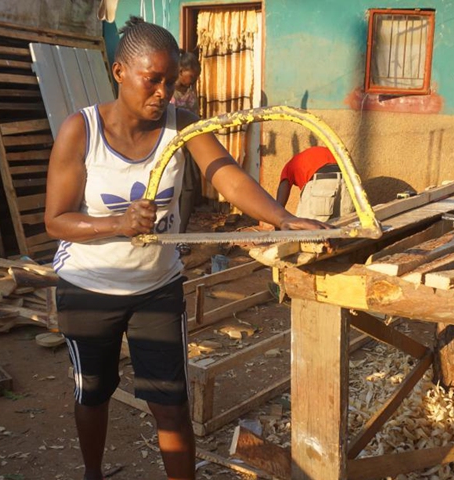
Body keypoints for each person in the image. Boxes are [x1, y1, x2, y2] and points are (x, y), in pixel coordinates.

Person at [44, 17, 328, 480]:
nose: (162, 93)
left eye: (170, 82)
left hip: (157, 288)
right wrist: (118, 222)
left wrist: (282, 218)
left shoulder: (184, 127)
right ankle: (92, 473)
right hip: (88, 289)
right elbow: (55, 219)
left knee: (171, 405)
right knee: (92, 394)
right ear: (119, 72)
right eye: (151, 80)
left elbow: (227, 176)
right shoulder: (82, 130)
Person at [170, 49, 202, 251]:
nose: (191, 82)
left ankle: (180, 235)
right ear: (180, 71)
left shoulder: (191, 91)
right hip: (169, 144)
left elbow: (196, 114)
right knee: (170, 186)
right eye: (189, 78)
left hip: (189, 142)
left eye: (195, 79)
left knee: (189, 187)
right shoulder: (166, 89)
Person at [275, 146, 356, 222]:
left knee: (305, 231)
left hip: (322, 181)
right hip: (349, 181)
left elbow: (283, 189)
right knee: (342, 230)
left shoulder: (289, 166)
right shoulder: (325, 152)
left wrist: (277, 219)